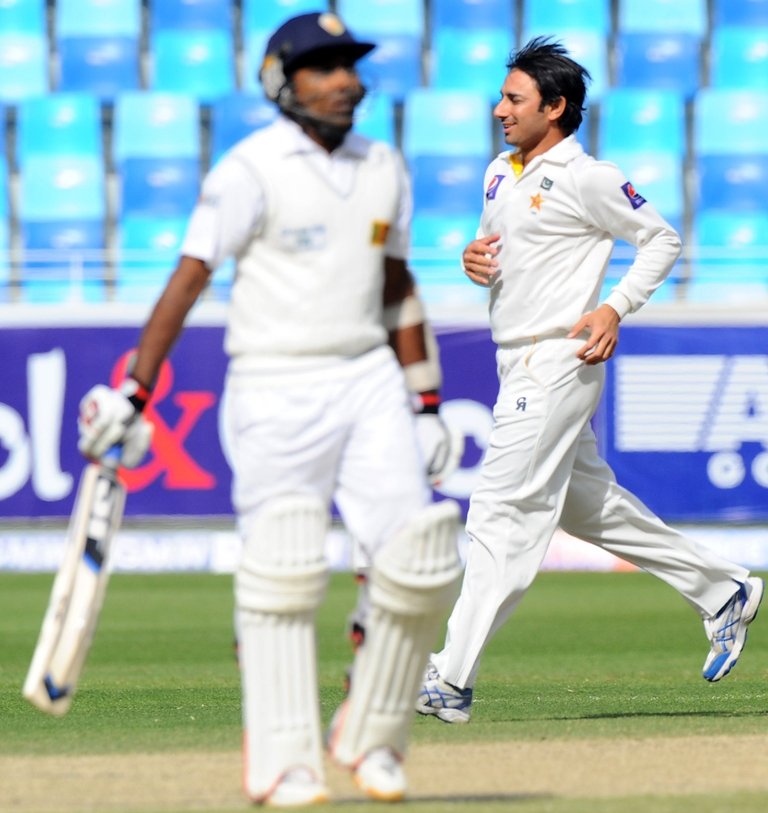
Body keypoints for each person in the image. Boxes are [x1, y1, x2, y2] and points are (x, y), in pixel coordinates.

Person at [77, 12, 464, 805]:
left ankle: (373, 736)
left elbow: (397, 287)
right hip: (272, 383)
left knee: (420, 558)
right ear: (281, 80)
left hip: (365, 377)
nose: (344, 81)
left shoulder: (384, 162)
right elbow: (186, 281)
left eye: (349, 66)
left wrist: (425, 400)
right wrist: (134, 391)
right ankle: (284, 763)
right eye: (322, 67)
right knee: (282, 570)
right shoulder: (248, 168)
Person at [416, 37, 764, 725]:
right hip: (512, 358)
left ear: (556, 107)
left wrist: (614, 306)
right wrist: (473, 258)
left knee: (499, 511)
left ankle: (448, 679)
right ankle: (723, 588)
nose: (499, 110)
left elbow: (661, 238)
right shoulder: (499, 172)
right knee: (587, 506)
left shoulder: (589, 177)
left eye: (514, 99)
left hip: (558, 357)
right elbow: (496, 248)